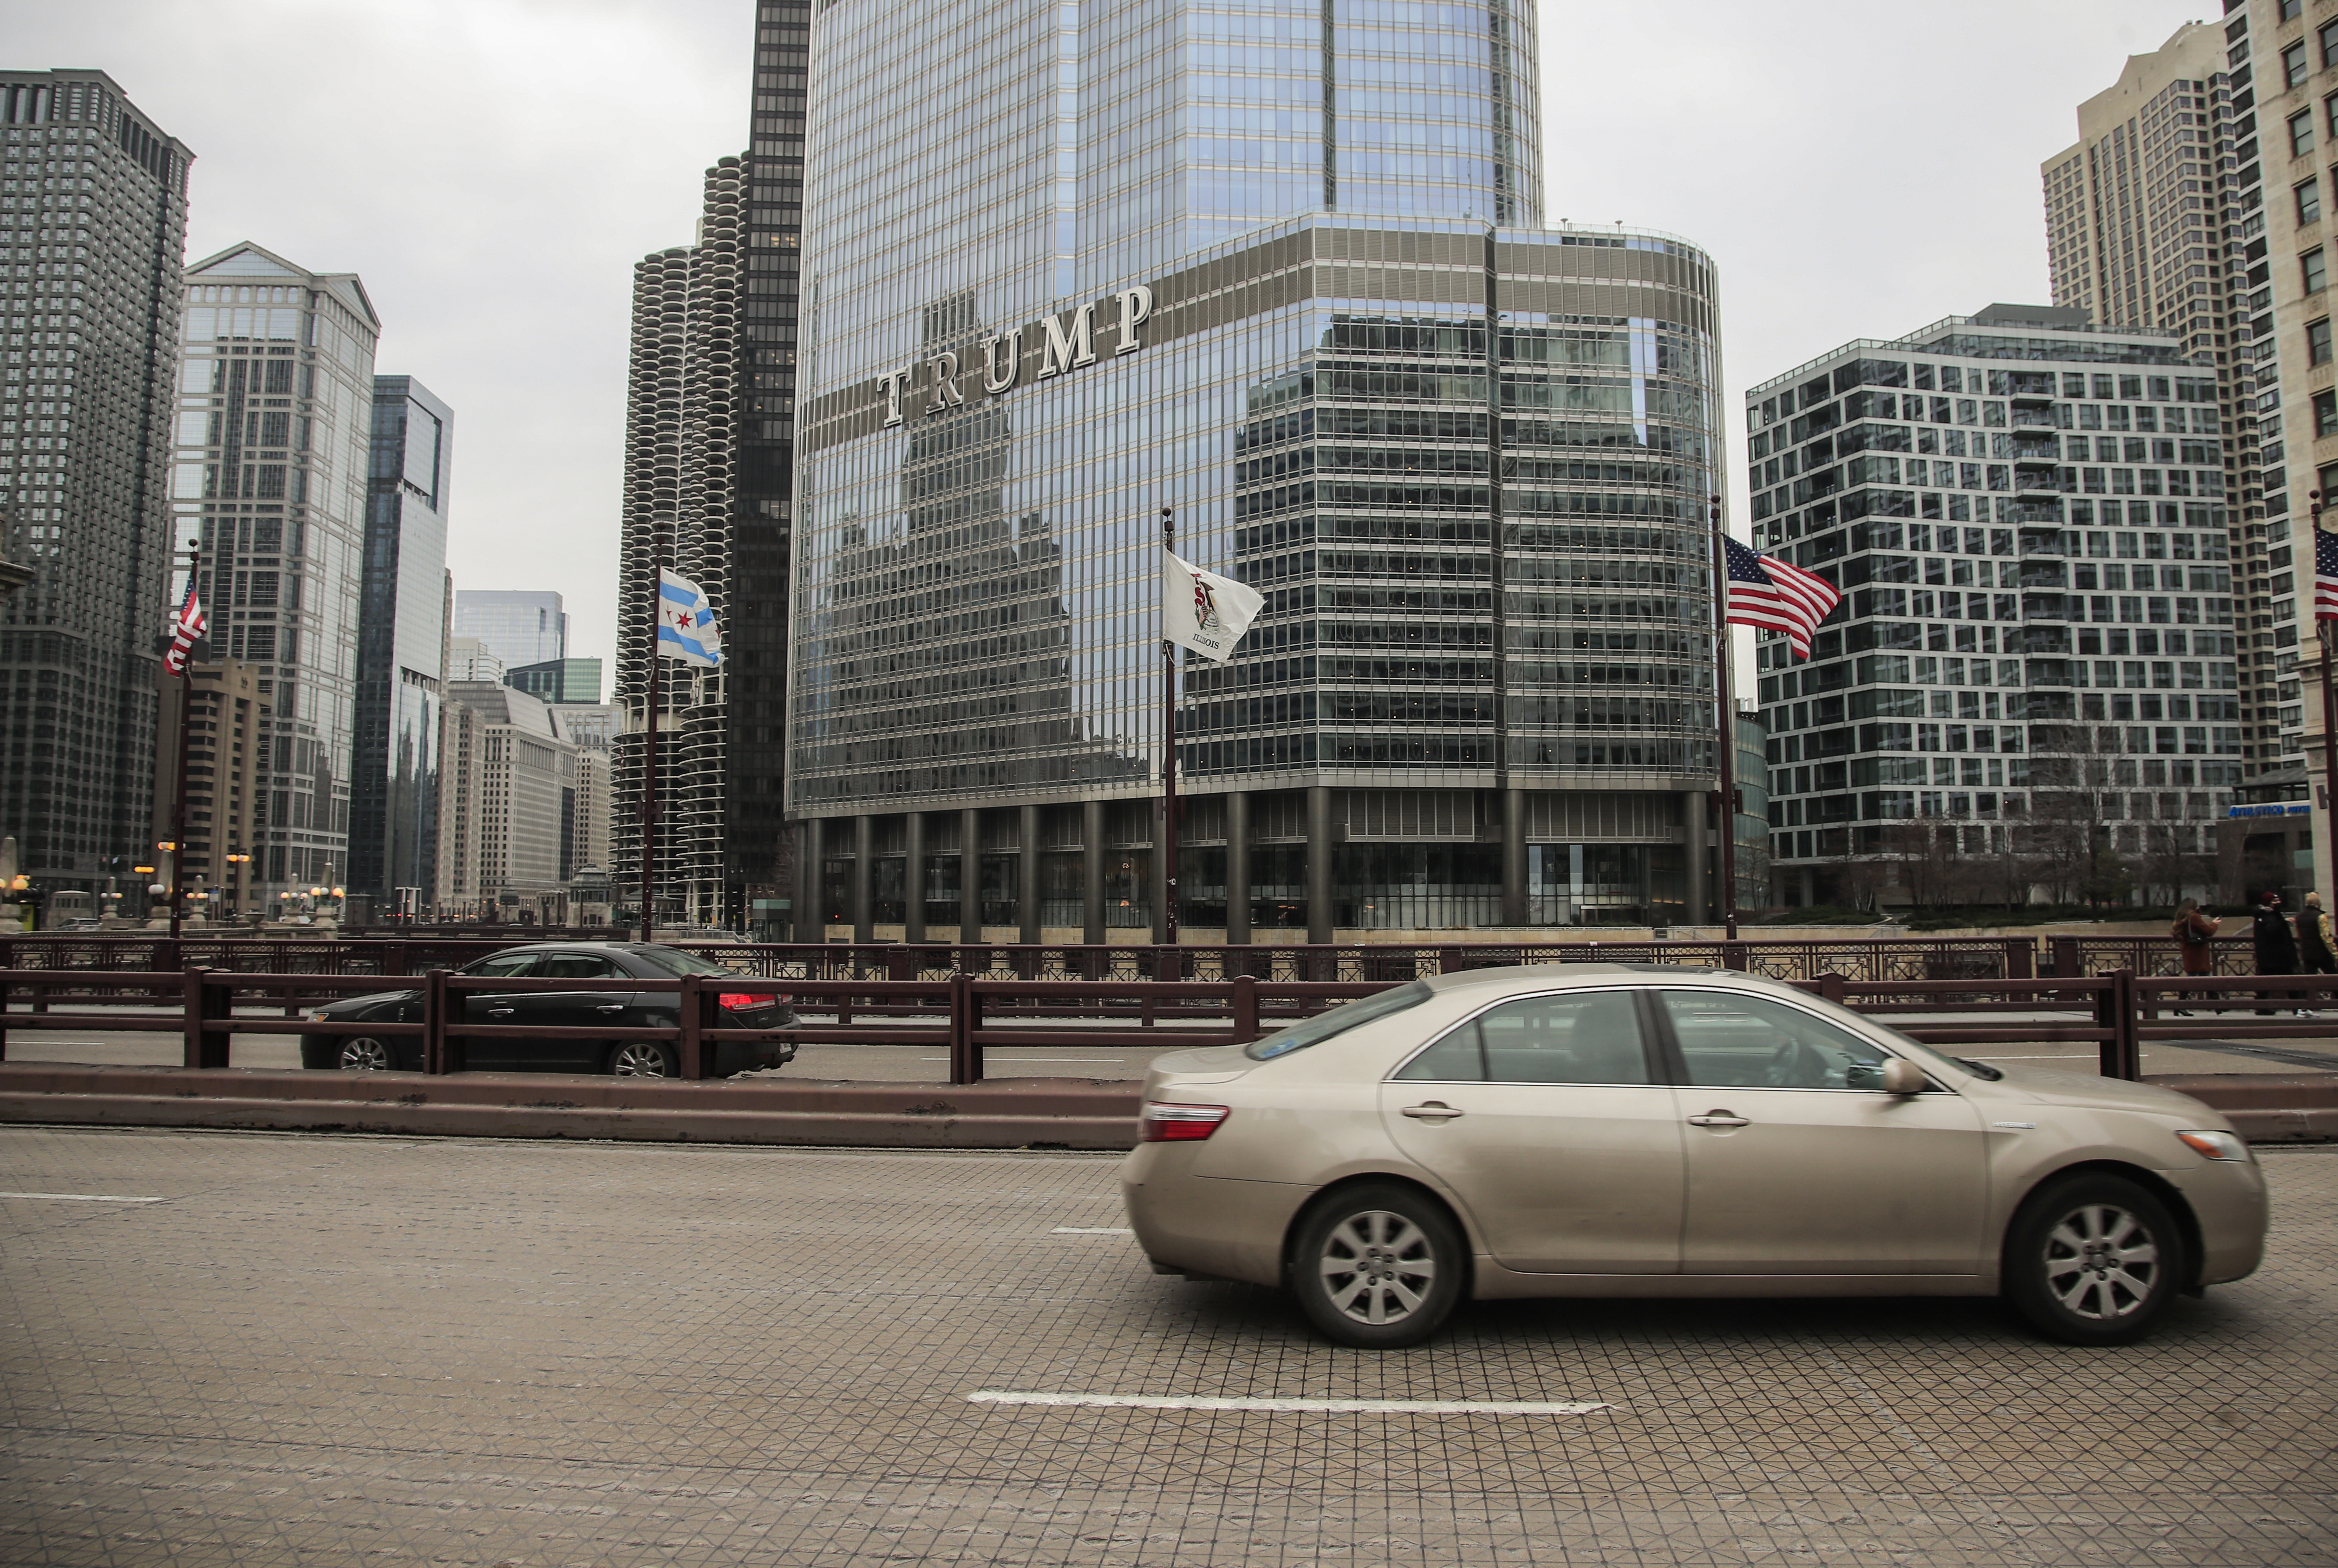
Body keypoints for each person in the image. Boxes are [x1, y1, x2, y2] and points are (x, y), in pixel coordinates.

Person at [2253, 890, 2299, 1017]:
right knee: (2289, 981)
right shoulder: (2267, 915)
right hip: (2276, 956)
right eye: (2275, 901)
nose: (2279, 902)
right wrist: (2285, 922)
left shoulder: (2267, 915)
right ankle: (2298, 1007)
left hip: (2270, 956)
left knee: (2266, 982)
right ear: (2269, 902)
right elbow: (2272, 930)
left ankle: (2261, 1007)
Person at [2170, 897, 2219, 1016]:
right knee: (2194, 978)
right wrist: (2215, 924)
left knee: (2204, 976)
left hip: (2191, 950)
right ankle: (2180, 1006)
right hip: (2197, 952)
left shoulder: (2183, 917)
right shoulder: (2194, 917)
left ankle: (2219, 1005)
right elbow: (2209, 931)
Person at [2299, 891, 2338, 1016]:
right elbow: (2326, 937)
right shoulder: (2321, 917)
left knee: (2309, 980)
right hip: (2322, 953)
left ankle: (2305, 1007)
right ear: (2318, 903)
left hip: (2307, 953)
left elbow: (2301, 936)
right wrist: (2335, 953)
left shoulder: (2300, 917)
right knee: (2333, 977)